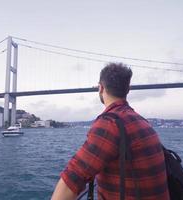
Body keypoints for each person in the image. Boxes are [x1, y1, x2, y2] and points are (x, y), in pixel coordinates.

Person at [51, 63, 169, 200]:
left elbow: (72, 179)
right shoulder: (142, 121)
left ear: (100, 88)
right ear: (128, 89)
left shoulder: (110, 124)